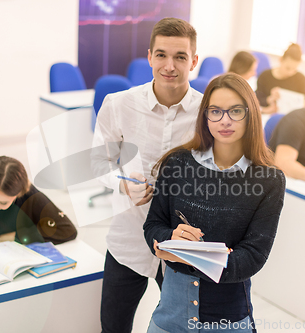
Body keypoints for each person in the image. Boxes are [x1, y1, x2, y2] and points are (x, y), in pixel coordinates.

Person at [143, 73, 285, 332]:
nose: (225, 121)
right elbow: (153, 225)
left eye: (236, 111)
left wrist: (185, 254)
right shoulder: (177, 164)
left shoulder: (269, 180)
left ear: (251, 114)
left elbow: (253, 256)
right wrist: (167, 239)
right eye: (216, 111)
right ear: (205, 116)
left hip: (228, 317)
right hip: (171, 313)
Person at [91, 17, 202, 333]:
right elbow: (99, 163)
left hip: (181, 244)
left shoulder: (207, 112)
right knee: (113, 326)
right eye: (162, 55)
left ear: (193, 61)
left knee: (179, 327)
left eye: (180, 57)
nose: (170, 65)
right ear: (150, 55)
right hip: (128, 238)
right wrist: (123, 183)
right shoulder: (119, 105)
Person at [255, 44, 305, 114]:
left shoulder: (300, 79)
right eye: (288, 68)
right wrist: (270, 99)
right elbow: (256, 100)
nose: (290, 73)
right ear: (281, 60)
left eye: (294, 69)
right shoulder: (265, 76)